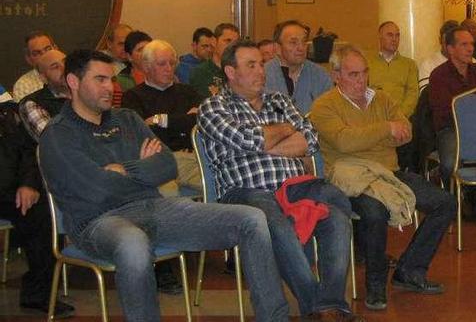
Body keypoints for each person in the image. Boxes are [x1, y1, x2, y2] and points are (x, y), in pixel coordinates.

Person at [40, 50, 292, 322]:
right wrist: (141, 169)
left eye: (111, 80)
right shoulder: (58, 134)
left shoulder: (127, 119)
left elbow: (167, 167)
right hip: (98, 222)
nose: (110, 88)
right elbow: (98, 190)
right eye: (100, 79)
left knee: (252, 218)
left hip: (156, 209)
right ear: (73, 82)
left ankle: (274, 318)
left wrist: (125, 169)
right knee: (133, 243)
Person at [198, 40, 362, 321]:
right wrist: (285, 130)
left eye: (261, 63)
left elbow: (310, 139)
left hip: (293, 187)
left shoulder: (279, 100)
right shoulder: (213, 107)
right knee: (275, 221)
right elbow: (245, 139)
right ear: (230, 71)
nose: (261, 71)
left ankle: (331, 302)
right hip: (245, 192)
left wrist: (266, 140)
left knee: (337, 215)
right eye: (251, 65)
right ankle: (317, 307)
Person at [311, 45, 455, 311]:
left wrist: (369, 133)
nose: (361, 80)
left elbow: (407, 132)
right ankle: (375, 285)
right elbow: (344, 142)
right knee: (375, 213)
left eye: (364, 73)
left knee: (444, 202)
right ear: (336, 75)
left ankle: (409, 270)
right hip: (352, 179)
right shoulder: (324, 106)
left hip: (389, 172)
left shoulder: (382, 99)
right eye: (353, 75)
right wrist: (386, 128)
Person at [1, 98, 74, 318]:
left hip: (10, 190)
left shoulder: (7, 114)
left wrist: (28, 184)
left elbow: (28, 150)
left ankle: (39, 293)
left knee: (42, 214)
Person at [122, 40, 202, 194]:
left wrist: (161, 120)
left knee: (221, 185)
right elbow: (143, 135)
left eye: (172, 63)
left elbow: (200, 122)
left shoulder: (187, 91)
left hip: (192, 158)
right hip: (158, 160)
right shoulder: (133, 97)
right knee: (169, 195)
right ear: (146, 67)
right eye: (162, 64)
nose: (169, 69)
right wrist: (184, 120)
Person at [429, 26, 476, 184]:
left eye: (472, 44)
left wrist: (474, 103)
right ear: (450, 49)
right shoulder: (439, 76)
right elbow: (444, 114)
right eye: (464, 44)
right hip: (451, 130)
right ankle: (455, 199)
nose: (470, 49)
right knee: (449, 164)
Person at [264, 20, 333, 115]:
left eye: (304, 42)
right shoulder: (262, 75)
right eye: (293, 43)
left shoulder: (321, 75)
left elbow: (329, 113)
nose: (301, 48)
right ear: (277, 48)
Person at [367, 21, 419, 119]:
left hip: (401, 118)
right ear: (380, 37)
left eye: (397, 35)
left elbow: (412, 94)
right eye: (390, 35)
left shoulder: (409, 64)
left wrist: (400, 115)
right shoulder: (367, 63)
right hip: (373, 118)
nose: (394, 39)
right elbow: (362, 91)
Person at [19, 50, 68, 141]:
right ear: (44, 78)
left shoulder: (87, 91)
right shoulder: (32, 103)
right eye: (55, 67)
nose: (64, 68)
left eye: (66, 62)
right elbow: (56, 142)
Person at [190, 23, 240, 99]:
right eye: (227, 41)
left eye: (235, 43)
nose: (232, 46)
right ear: (214, 42)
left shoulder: (240, 72)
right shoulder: (201, 72)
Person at [13, 31, 57, 102]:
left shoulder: (71, 73)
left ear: (56, 49)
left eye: (48, 49)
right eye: (37, 53)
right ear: (29, 59)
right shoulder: (23, 85)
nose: (45, 55)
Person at [418, 20, 460, 88]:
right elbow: (425, 94)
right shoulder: (428, 65)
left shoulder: (472, 63)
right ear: (440, 40)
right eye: (446, 42)